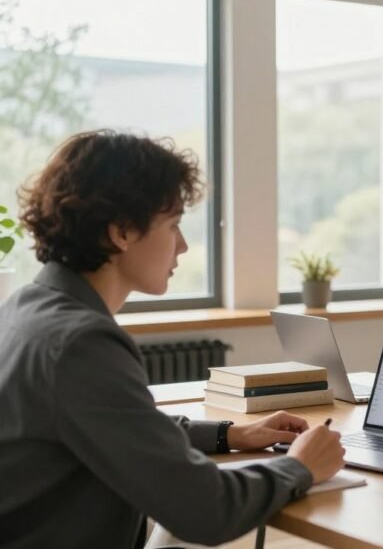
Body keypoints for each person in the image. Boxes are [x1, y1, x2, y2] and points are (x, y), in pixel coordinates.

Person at [0, 131, 345, 548]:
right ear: (122, 232)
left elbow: (122, 426)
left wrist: (230, 434)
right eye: (174, 225)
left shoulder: (26, 309)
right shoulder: (81, 344)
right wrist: (301, 467)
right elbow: (207, 511)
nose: (181, 246)